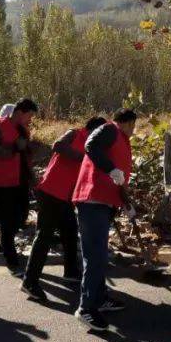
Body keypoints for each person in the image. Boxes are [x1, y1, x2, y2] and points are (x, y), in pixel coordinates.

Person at [20, 116, 108, 302]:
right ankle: (29, 282)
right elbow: (57, 145)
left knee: (70, 232)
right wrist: (84, 157)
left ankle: (71, 271)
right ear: (94, 129)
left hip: (66, 197)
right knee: (44, 236)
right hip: (51, 192)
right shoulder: (74, 134)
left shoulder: (94, 146)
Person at [72, 108, 137, 330]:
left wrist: (127, 205)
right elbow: (90, 145)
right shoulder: (110, 129)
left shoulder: (121, 141)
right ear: (128, 122)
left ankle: (99, 298)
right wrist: (110, 169)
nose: (134, 130)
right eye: (134, 125)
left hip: (103, 203)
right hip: (92, 200)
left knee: (99, 254)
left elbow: (119, 179)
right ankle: (86, 308)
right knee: (95, 255)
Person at [0, 98, 38, 275]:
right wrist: (14, 148)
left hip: (19, 180)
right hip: (3, 182)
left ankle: (4, 244)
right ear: (20, 112)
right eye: (29, 115)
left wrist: (32, 176)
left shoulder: (23, 129)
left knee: (21, 215)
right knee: (8, 219)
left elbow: (25, 155)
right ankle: (10, 256)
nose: (30, 120)